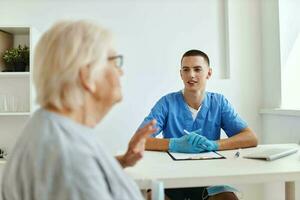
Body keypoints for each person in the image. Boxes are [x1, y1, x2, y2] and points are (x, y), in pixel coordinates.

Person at [1, 20, 157, 200]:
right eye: (115, 62)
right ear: (87, 75)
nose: (121, 72)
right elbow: (75, 174)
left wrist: (122, 161)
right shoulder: (68, 157)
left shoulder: (54, 128)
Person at [140, 49, 258, 200]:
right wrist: (174, 144)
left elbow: (251, 138)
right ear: (181, 74)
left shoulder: (219, 103)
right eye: (186, 70)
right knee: (153, 197)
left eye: (197, 69)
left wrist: (215, 145)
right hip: (171, 178)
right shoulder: (166, 103)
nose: (191, 75)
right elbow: (139, 139)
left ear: (208, 73)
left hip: (209, 179)